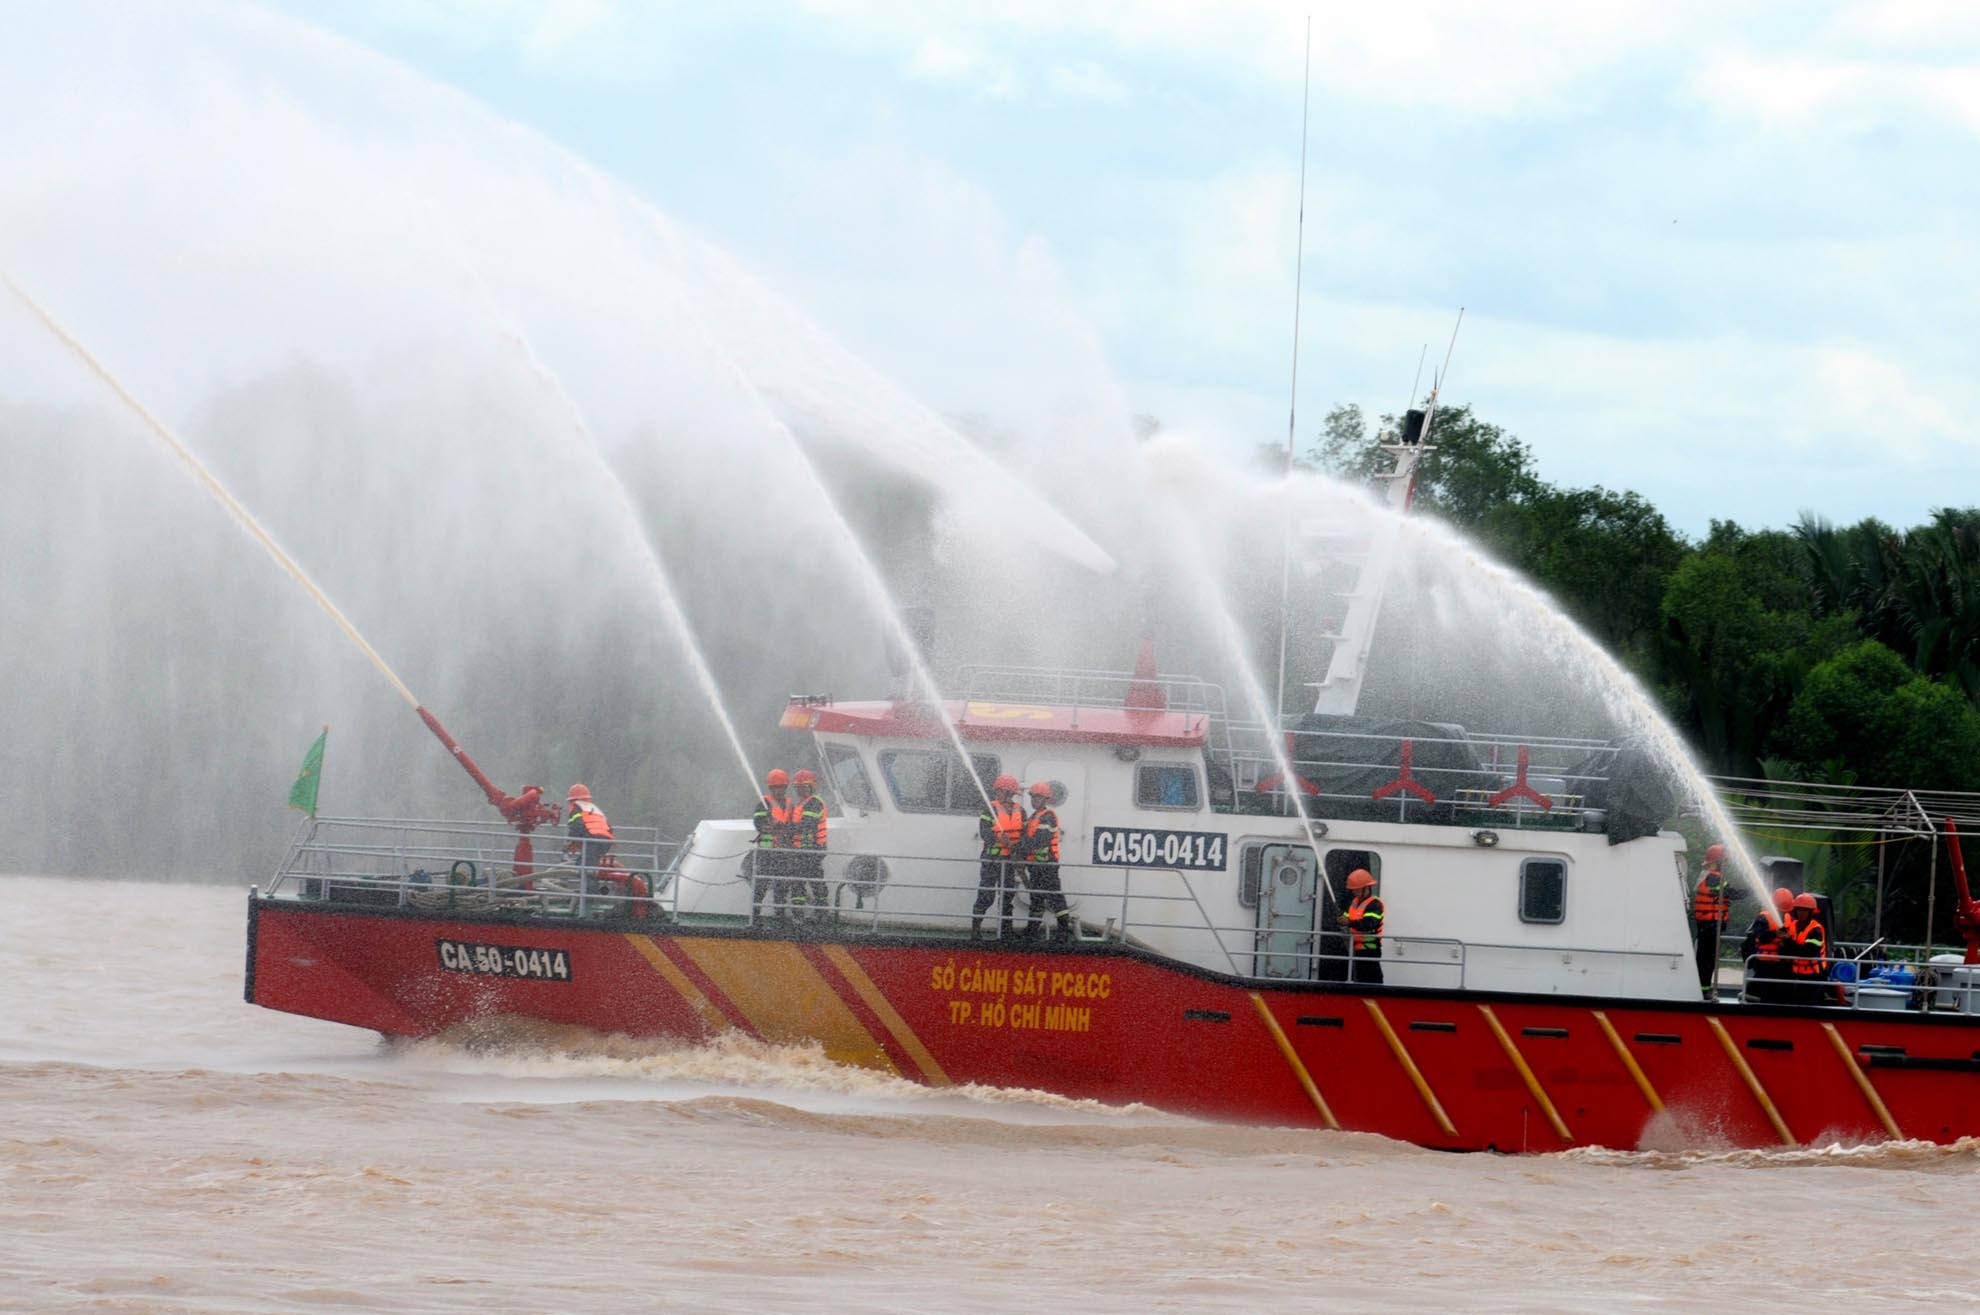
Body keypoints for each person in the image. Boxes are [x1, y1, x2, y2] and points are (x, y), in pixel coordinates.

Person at [972, 774, 1025, 939]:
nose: (997, 794)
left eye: (1000, 791)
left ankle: (1005, 932)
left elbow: (1024, 835)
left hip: (1010, 860)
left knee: (1007, 895)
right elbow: (984, 832)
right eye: (997, 791)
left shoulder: (1020, 811)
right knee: (986, 894)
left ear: (1009, 793)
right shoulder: (990, 809)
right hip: (991, 860)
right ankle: (975, 931)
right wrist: (997, 838)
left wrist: (1019, 850)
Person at [1019, 781, 1073, 942]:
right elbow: (1027, 838)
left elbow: (1039, 841)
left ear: (1046, 800)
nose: (1034, 800)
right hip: (1035, 866)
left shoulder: (1048, 817)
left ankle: (1063, 931)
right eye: (1033, 797)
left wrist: (1020, 849)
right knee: (1036, 898)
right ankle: (1032, 929)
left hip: (1047, 865)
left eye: (1038, 797)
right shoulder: (1033, 817)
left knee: (1055, 897)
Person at [752, 768, 804, 918]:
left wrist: (779, 827)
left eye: (781, 787)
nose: (778, 791)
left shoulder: (790, 805)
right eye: (775, 787)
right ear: (770, 788)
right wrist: (770, 827)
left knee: (782, 885)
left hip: (784, 852)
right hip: (767, 852)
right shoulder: (764, 803)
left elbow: (794, 825)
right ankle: (755, 913)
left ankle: (779, 914)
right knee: (761, 884)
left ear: (785, 787)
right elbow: (758, 823)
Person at [1691, 842, 1734, 996]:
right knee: (1707, 960)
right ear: (1717, 862)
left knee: (1705, 959)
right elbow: (1730, 893)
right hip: (1710, 925)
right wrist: (1752, 892)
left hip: (1707, 925)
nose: (1726, 865)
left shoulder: (1708, 877)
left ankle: (1704, 989)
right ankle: (1703, 991)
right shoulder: (1714, 878)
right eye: (1725, 862)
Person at [1739, 887, 1795, 1003]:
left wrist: (1788, 939)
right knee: (1765, 991)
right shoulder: (1763, 917)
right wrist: (1775, 934)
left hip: (1782, 963)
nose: (1783, 912)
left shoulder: (1789, 918)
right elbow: (1759, 936)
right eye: (1781, 909)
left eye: (1786, 910)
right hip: (1765, 963)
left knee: (1782, 991)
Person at [792, 767, 830, 917]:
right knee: (803, 881)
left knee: (810, 880)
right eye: (798, 788)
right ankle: (803, 912)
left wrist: (784, 828)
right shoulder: (802, 804)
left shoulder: (813, 803)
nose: (801, 791)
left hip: (812, 849)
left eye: (804, 787)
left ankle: (817, 913)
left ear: (812, 787)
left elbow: (807, 825)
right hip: (803, 849)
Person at [565, 783, 614, 896]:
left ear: (572, 800)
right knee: (585, 863)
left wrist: (573, 841)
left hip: (593, 840)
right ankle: (588, 891)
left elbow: (576, 827)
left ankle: (589, 896)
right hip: (605, 839)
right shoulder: (593, 808)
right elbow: (609, 828)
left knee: (586, 866)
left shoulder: (576, 809)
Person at [1783, 891, 1830, 1005]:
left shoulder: (1816, 930)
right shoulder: (1793, 926)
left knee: (1811, 1004)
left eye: (1805, 910)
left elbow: (1808, 952)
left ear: (1811, 912)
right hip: (1797, 974)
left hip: (1814, 976)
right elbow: (1786, 948)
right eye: (1799, 909)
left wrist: (1788, 940)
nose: (1801, 913)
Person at [1339, 868, 1385, 985]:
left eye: (1357, 889)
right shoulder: (1354, 903)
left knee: (1372, 980)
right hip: (1355, 949)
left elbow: (1369, 924)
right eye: (1353, 890)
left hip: (1369, 950)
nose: (1354, 892)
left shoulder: (1375, 905)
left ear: (1366, 888)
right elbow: (1347, 917)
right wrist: (1340, 920)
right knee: (1358, 979)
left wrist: (1349, 922)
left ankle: (1376, 999)